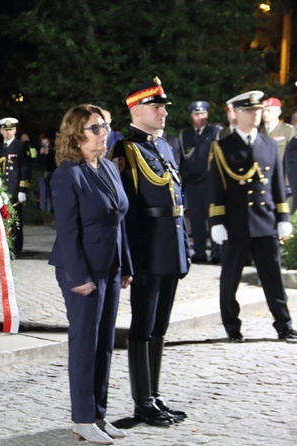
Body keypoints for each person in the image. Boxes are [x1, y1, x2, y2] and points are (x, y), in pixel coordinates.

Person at [49, 104, 133, 445]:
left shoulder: (109, 168)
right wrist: (79, 275)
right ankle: (82, 418)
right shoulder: (67, 174)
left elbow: (119, 221)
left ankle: (98, 413)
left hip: (110, 267)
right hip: (81, 270)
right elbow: (67, 232)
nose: (105, 133)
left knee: (105, 345)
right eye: (96, 128)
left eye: (107, 126)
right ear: (76, 135)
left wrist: (125, 264)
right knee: (85, 344)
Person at [109, 76, 190, 427]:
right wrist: (131, 259)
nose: (163, 112)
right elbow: (125, 212)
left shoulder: (164, 147)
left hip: (170, 248)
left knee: (160, 325)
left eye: (163, 107)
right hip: (147, 250)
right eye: (156, 107)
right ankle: (142, 401)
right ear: (136, 110)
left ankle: (155, 397)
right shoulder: (125, 150)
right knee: (142, 324)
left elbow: (177, 201)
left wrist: (184, 247)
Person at [209, 90, 297, 343]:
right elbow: (217, 187)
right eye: (249, 110)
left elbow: (277, 184)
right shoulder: (223, 146)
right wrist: (217, 221)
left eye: (257, 110)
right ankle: (232, 327)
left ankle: (284, 325)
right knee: (230, 280)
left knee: (273, 279)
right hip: (236, 224)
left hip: (265, 221)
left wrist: (282, 217)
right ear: (236, 114)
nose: (255, 114)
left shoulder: (269, 144)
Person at [178, 101, 221, 264]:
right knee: (196, 220)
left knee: (213, 218)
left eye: (202, 114)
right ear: (191, 116)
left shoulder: (215, 132)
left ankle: (217, 252)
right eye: (196, 114)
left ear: (207, 115)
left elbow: (217, 158)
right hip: (192, 184)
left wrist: (207, 175)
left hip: (210, 183)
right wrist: (187, 176)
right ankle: (200, 252)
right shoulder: (185, 134)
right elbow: (182, 159)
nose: (199, 117)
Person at [0, 117, 31, 255]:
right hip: (0, 190)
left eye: (11, 129)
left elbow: (25, 168)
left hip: (14, 190)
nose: (8, 132)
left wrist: (23, 189)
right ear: (1, 130)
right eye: (5, 129)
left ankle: (15, 249)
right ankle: (1, 248)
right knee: (1, 220)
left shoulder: (21, 146)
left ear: (15, 130)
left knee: (15, 220)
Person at [260, 97, 296, 208]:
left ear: (278, 112)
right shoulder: (258, 132)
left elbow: (291, 159)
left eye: (269, 110)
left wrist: (289, 183)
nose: (265, 113)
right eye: (263, 110)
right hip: (264, 185)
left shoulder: (288, 130)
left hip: (284, 184)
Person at [37, 135, 56, 212]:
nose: (45, 145)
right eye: (43, 143)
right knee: (42, 192)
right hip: (42, 174)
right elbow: (38, 163)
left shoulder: (53, 152)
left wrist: (48, 153)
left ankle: (48, 210)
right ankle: (42, 211)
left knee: (49, 193)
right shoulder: (39, 151)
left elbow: (53, 163)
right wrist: (41, 155)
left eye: (46, 143)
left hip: (51, 173)